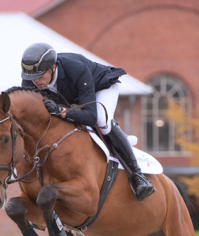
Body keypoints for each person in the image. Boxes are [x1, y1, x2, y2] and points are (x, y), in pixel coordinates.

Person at [20, 43, 155, 201]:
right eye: (31, 77)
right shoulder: (30, 82)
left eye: (40, 75)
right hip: (73, 98)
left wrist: (62, 112)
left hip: (100, 88)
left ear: (53, 67)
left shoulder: (75, 68)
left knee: (101, 121)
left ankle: (138, 176)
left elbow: (90, 116)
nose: (35, 81)